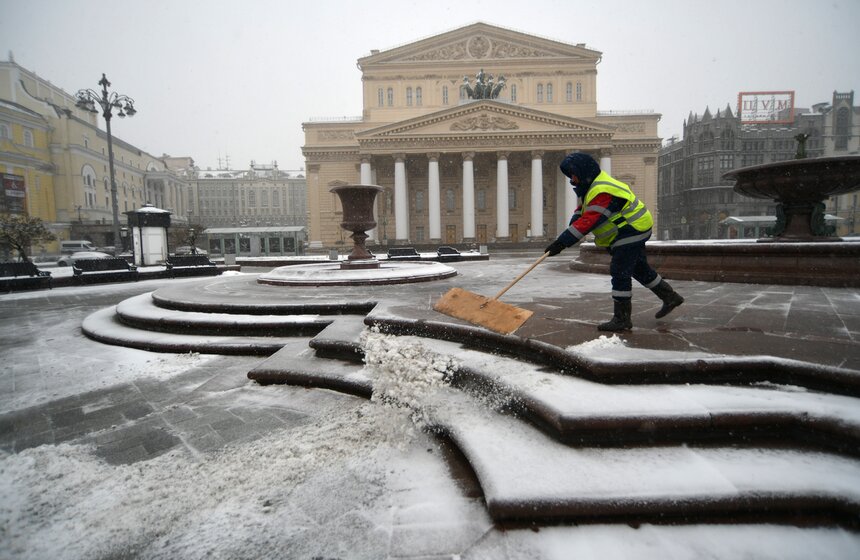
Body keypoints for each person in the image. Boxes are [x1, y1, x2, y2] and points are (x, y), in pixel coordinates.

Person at [544, 152, 684, 331]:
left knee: (620, 271)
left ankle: (622, 319)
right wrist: (570, 229)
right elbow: (583, 212)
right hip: (629, 230)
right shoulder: (594, 187)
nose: (572, 180)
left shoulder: (602, 190)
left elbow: (590, 220)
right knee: (638, 269)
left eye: (573, 175)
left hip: (631, 229)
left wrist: (561, 243)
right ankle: (670, 297)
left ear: (583, 171)